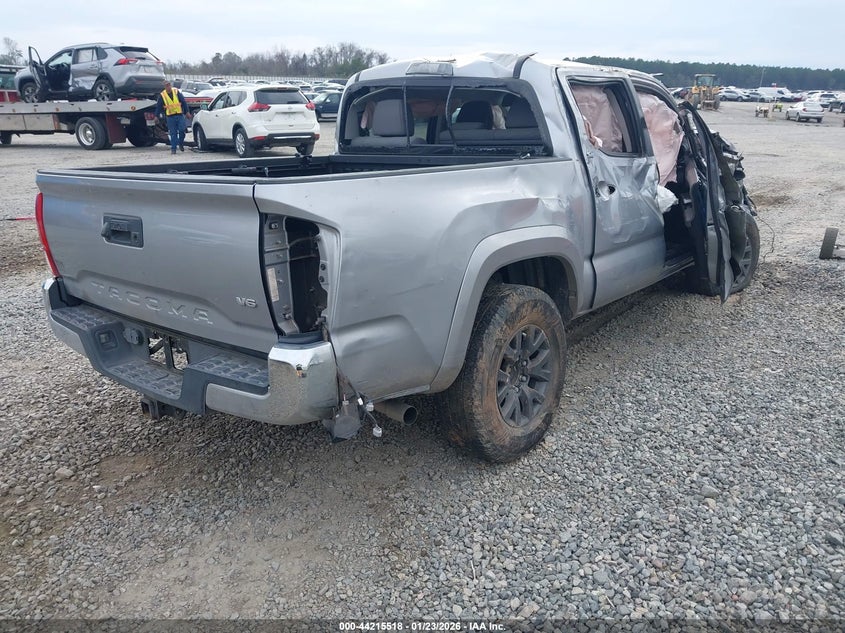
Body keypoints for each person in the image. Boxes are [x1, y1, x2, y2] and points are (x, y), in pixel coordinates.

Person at [155, 81, 191, 154]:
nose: (168, 87)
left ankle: (180, 143)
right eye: (166, 86)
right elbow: (158, 107)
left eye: (169, 85)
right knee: (173, 133)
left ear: (170, 85)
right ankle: (173, 149)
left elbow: (183, 102)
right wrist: (156, 116)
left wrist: (187, 112)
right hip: (170, 117)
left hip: (179, 115)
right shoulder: (162, 95)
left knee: (182, 130)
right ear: (164, 87)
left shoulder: (176, 92)